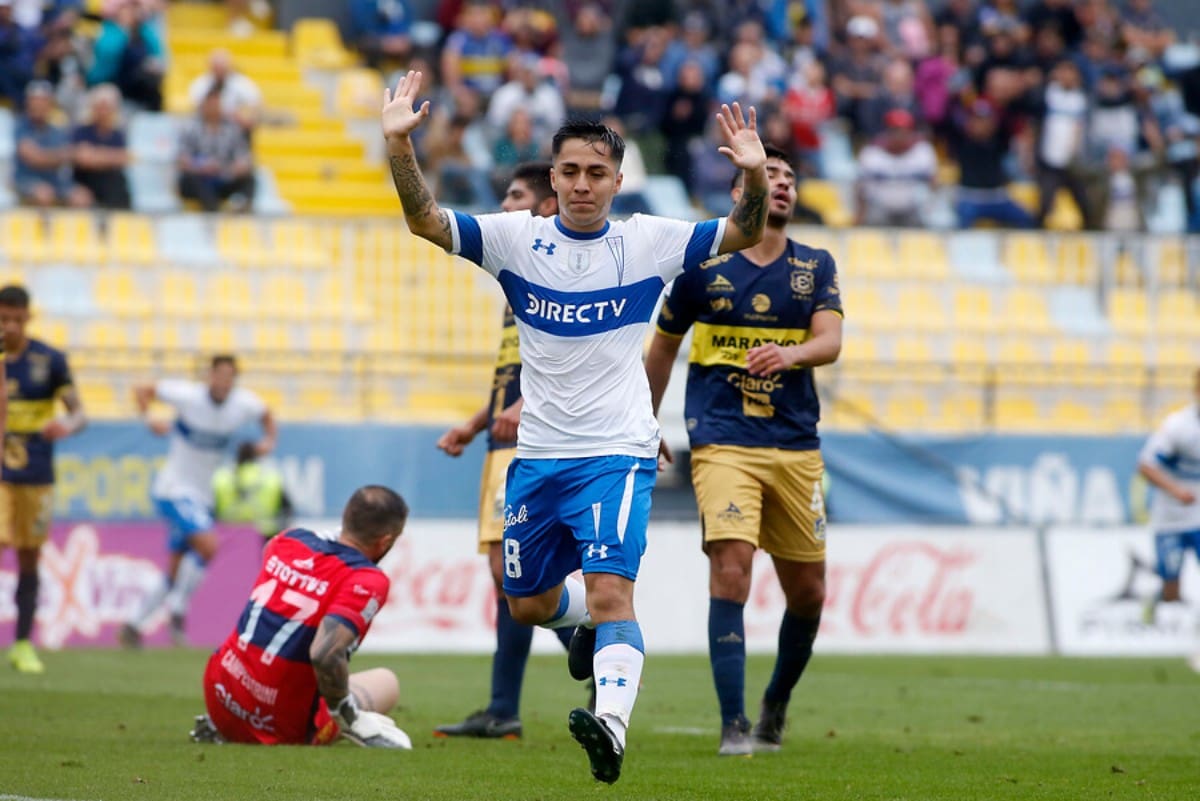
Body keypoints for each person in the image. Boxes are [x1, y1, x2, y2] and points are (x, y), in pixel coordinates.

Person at [381, 69, 768, 783]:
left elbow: (743, 230)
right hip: (537, 457)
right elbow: (425, 220)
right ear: (553, 177)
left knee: (614, 590)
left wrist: (750, 178)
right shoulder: (516, 241)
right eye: (570, 171)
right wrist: (400, 146)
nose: (583, 183)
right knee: (525, 600)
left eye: (597, 172)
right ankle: (582, 626)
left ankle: (611, 723)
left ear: (619, 181)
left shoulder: (648, 242)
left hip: (615, 452)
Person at [644, 144, 843, 755]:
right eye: (768, 176)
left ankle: (775, 702)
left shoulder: (815, 264)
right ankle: (733, 725)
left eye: (788, 177)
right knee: (732, 567)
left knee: (808, 592)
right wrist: (644, 425)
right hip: (723, 441)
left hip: (794, 445)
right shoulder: (703, 268)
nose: (780, 184)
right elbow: (662, 347)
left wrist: (792, 353)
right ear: (740, 193)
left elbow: (830, 340)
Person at [433, 161, 573, 740]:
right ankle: (502, 708)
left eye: (515, 196)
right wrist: (477, 421)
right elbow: (513, 371)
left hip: (535, 439)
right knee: (506, 577)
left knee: (511, 572)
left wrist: (528, 406)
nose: (505, 205)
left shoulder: (560, 272)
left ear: (543, 206)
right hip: (501, 437)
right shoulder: (515, 277)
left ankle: (589, 633)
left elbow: (572, 358)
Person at [189, 485, 413, 747]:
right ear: (385, 541)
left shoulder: (288, 540)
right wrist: (350, 716)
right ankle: (325, 717)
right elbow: (324, 654)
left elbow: (287, 558)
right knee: (387, 682)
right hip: (279, 724)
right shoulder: (365, 578)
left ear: (346, 517)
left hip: (219, 694)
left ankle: (229, 722)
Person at [120, 354, 277, 648]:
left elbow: (267, 414)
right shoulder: (188, 396)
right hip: (174, 489)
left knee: (176, 569)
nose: (223, 382)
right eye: (219, 375)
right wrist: (149, 419)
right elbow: (144, 390)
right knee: (208, 544)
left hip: (202, 495)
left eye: (229, 377)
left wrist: (269, 440)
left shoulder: (242, 404)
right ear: (209, 376)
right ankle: (177, 613)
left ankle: (133, 624)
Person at [0, 284, 87, 674]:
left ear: (28, 318)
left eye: (17, 319)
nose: (10, 327)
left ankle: (21, 644)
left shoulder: (48, 360)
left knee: (29, 557)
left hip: (36, 475)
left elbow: (80, 413)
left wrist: (66, 424)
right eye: (4, 319)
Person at [1136, 368, 1200, 672]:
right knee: (1173, 591)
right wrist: (1177, 491)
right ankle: (1160, 594)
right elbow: (1146, 466)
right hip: (1170, 520)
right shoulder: (1178, 426)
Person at [177, 88, 257, 213]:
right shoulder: (191, 128)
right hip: (199, 177)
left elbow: (243, 156)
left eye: (217, 105)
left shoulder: (232, 129)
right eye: (211, 105)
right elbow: (182, 157)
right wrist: (201, 167)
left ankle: (243, 210)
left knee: (249, 179)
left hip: (223, 176)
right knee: (191, 180)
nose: (214, 108)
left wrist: (236, 168)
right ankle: (213, 213)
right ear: (204, 106)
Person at [15, 80, 91, 209]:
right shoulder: (20, 126)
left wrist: (70, 155)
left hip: (56, 181)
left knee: (82, 197)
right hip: (27, 180)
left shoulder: (57, 130)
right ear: (28, 103)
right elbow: (35, 158)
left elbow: (75, 157)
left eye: (43, 101)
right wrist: (70, 154)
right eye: (35, 101)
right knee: (44, 194)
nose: (38, 105)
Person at [212, 440, 291, 545]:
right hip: (264, 537)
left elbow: (211, 510)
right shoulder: (270, 477)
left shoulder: (221, 477)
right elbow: (287, 510)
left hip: (228, 538)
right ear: (256, 456)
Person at [71, 83, 132, 210]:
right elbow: (83, 159)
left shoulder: (117, 135)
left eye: (106, 108)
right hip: (85, 182)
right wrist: (109, 157)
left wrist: (96, 155)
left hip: (111, 185)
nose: (103, 112)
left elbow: (123, 158)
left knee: (119, 188)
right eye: (100, 107)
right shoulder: (82, 131)